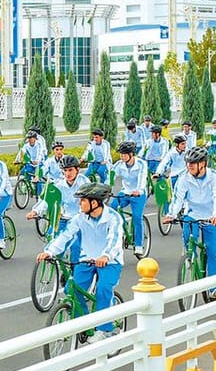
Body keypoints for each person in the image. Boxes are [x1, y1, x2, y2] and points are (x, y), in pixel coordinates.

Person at [36, 183, 123, 343]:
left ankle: (105, 330)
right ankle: (85, 324)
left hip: (110, 261)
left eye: (82, 200)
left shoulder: (113, 217)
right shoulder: (79, 218)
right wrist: (50, 251)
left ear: (94, 202)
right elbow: (66, 235)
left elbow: (115, 240)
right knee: (72, 289)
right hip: (87, 260)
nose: (79, 203)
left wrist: (106, 256)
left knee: (103, 289)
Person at [164, 147, 216, 299]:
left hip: (211, 216)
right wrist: (171, 214)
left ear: (203, 164)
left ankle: (215, 288)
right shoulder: (184, 178)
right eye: (188, 163)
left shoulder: (214, 178)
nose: (189, 166)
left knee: (213, 252)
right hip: (192, 215)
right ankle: (188, 254)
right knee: (188, 235)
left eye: (193, 163)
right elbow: (178, 199)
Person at [28, 154, 89, 261]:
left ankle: (74, 274)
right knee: (51, 238)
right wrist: (35, 211)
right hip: (63, 219)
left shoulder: (84, 183)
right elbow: (47, 201)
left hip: (80, 220)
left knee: (76, 247)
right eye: (65, 171)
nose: (68, 174)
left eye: (70, 170)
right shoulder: (59, 185)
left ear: (77, 169)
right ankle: (58, 262)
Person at [110, 141, 148, 256]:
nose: (122, 156)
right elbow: (110, 176)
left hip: (138, 194)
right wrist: (106, 189)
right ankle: (123, 226)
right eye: (121, 154)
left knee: (137, 217)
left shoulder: (141, 164)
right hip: (125, 192)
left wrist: (139, 190)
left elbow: (143, 178)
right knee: (112, 208)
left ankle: (138, 245)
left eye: (124, 154)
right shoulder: (119, 164)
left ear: (131, 154)